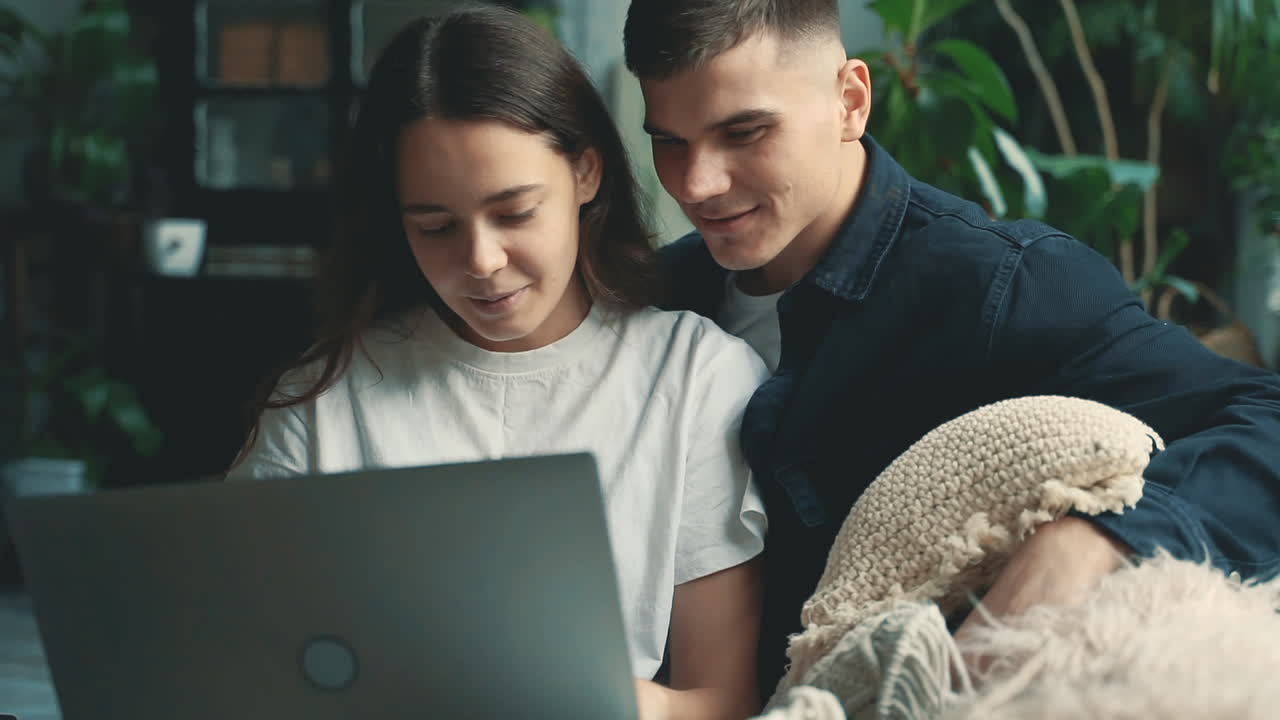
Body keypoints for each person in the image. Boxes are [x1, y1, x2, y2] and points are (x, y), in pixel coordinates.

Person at [622, 0, 1280, 700]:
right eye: (670, 141)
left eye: (744, 132)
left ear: (850, 101)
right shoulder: (649, 298)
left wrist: (1095, 539)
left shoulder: (1000, 286)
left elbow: (1266, 421)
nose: (697, 185)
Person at [229, 8, 767, 719]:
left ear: (585, 171)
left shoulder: (694, 380)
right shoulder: (323, 403)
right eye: (436, 226)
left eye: (514, 213)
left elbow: (725, 702)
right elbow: (234, 668)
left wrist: (609, 702)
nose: (481, 262)